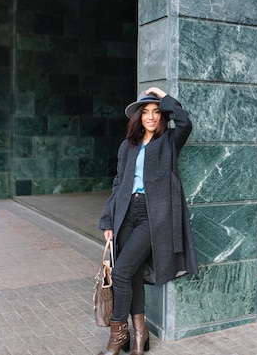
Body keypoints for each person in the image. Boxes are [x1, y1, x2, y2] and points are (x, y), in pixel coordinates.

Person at [97, 87, 198, 355]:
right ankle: (140, 337)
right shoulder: (127, 146)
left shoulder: (170, 142)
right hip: (126, 213)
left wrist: (161, 95)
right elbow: (118, 183)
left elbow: (185, 121)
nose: (151, 117)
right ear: (138, 118)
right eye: (146, 113)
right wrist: (108, 220)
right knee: (133, 275)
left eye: (156, 112)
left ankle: (117, 337)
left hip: (153, 217)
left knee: (120, 273)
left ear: (162, 116)